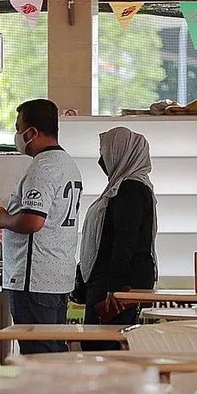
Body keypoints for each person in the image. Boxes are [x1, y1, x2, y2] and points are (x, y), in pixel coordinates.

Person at [0, 99, 82, 354]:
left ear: (32, 133)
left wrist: (2, 218)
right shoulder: (67, 164)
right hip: (58, 277)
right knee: (52, 352)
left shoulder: (42, 169)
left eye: (19, 128)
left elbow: (33, 221)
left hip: (35, 280)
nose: (17, 135)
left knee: (39, 356)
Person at [75, 127, 157, 351]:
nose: (102, 159)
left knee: (102, 348)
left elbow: (124, 242)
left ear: (121, 153)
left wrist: (114, 290)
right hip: (114, 284)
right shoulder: (123, 187)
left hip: (116, 287)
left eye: (105, 152)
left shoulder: (129, 189)